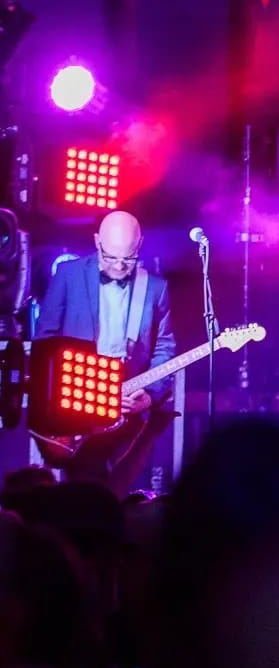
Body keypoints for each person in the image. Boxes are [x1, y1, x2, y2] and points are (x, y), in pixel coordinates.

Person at [32, 209, 176, 495]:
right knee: (84, 484)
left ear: (140, 244)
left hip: (127, 402)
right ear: (97, 241)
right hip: (77, 400)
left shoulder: (155, 288)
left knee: (123, 485)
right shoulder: (69, 275)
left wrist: (149, 395)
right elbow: (45, 341)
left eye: (128, 258)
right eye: (111, 257)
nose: (120, 266)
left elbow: (165, 348)